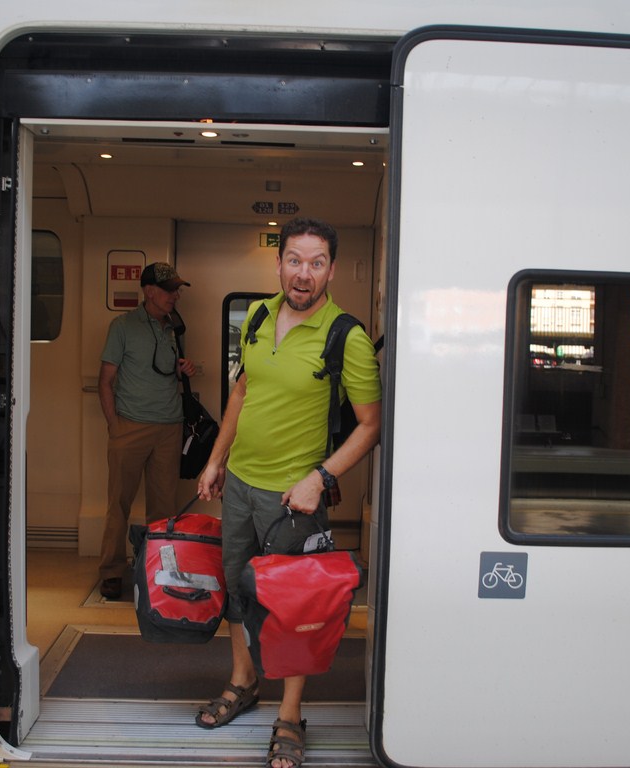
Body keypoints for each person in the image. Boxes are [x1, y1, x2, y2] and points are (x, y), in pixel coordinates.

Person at [195, 218, 381, 768]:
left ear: (332, 270)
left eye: (316, 263)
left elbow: (371, 424)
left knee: (295, 607)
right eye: (295, 261)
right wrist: (217, 459)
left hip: (294, 500)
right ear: (278, 264)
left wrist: (319, 478)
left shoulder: (347, 337)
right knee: (237, 590)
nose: (304, 274)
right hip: (240, 485)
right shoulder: (256, 315)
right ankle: (243, 681)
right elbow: (242, 393)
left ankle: (291, 716)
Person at [97, 262, 196, 600]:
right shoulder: (122, 326)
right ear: (150, 291)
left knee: (164, 509)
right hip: (130, 426)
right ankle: (112, 571)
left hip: (169, 427)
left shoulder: (174, 327)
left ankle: (156, 568)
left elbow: (168, 373)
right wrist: (114, 426)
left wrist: (184, 369)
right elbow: (105, 381)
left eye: (177, 289)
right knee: (118, 504)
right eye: (170, 290)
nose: (176, 295)